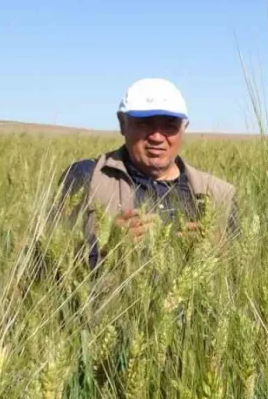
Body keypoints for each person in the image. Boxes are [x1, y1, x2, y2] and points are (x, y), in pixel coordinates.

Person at [56, 78, 237, 267]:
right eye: (145, 123)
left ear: (184, 128)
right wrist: (107, 249)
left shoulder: (220, 195)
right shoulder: (85, 177)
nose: (157, 137)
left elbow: (241, 275)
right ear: (122, 124)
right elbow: (43, 266)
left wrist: (220, 252)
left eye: (170, 125)